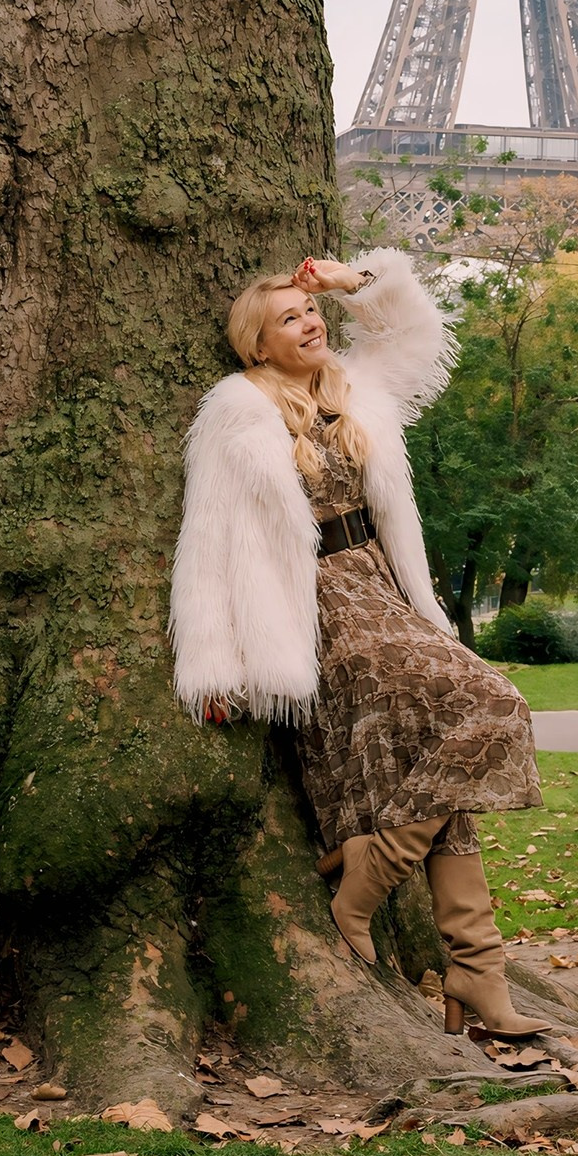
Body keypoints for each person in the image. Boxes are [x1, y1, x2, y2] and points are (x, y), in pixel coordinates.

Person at [168, 249, 546, 1045]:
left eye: (310, 314)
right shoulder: (238, 412)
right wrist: (210, 661)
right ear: (256, 346)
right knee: (491, 703)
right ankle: (399, 904)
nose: (308, 326)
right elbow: (208, 540)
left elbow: (417, 333)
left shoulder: (357, 387)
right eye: (287, 319)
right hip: (320, 608)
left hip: (384, 589)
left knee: (445, 759)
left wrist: (354, 283)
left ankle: (458, 954)